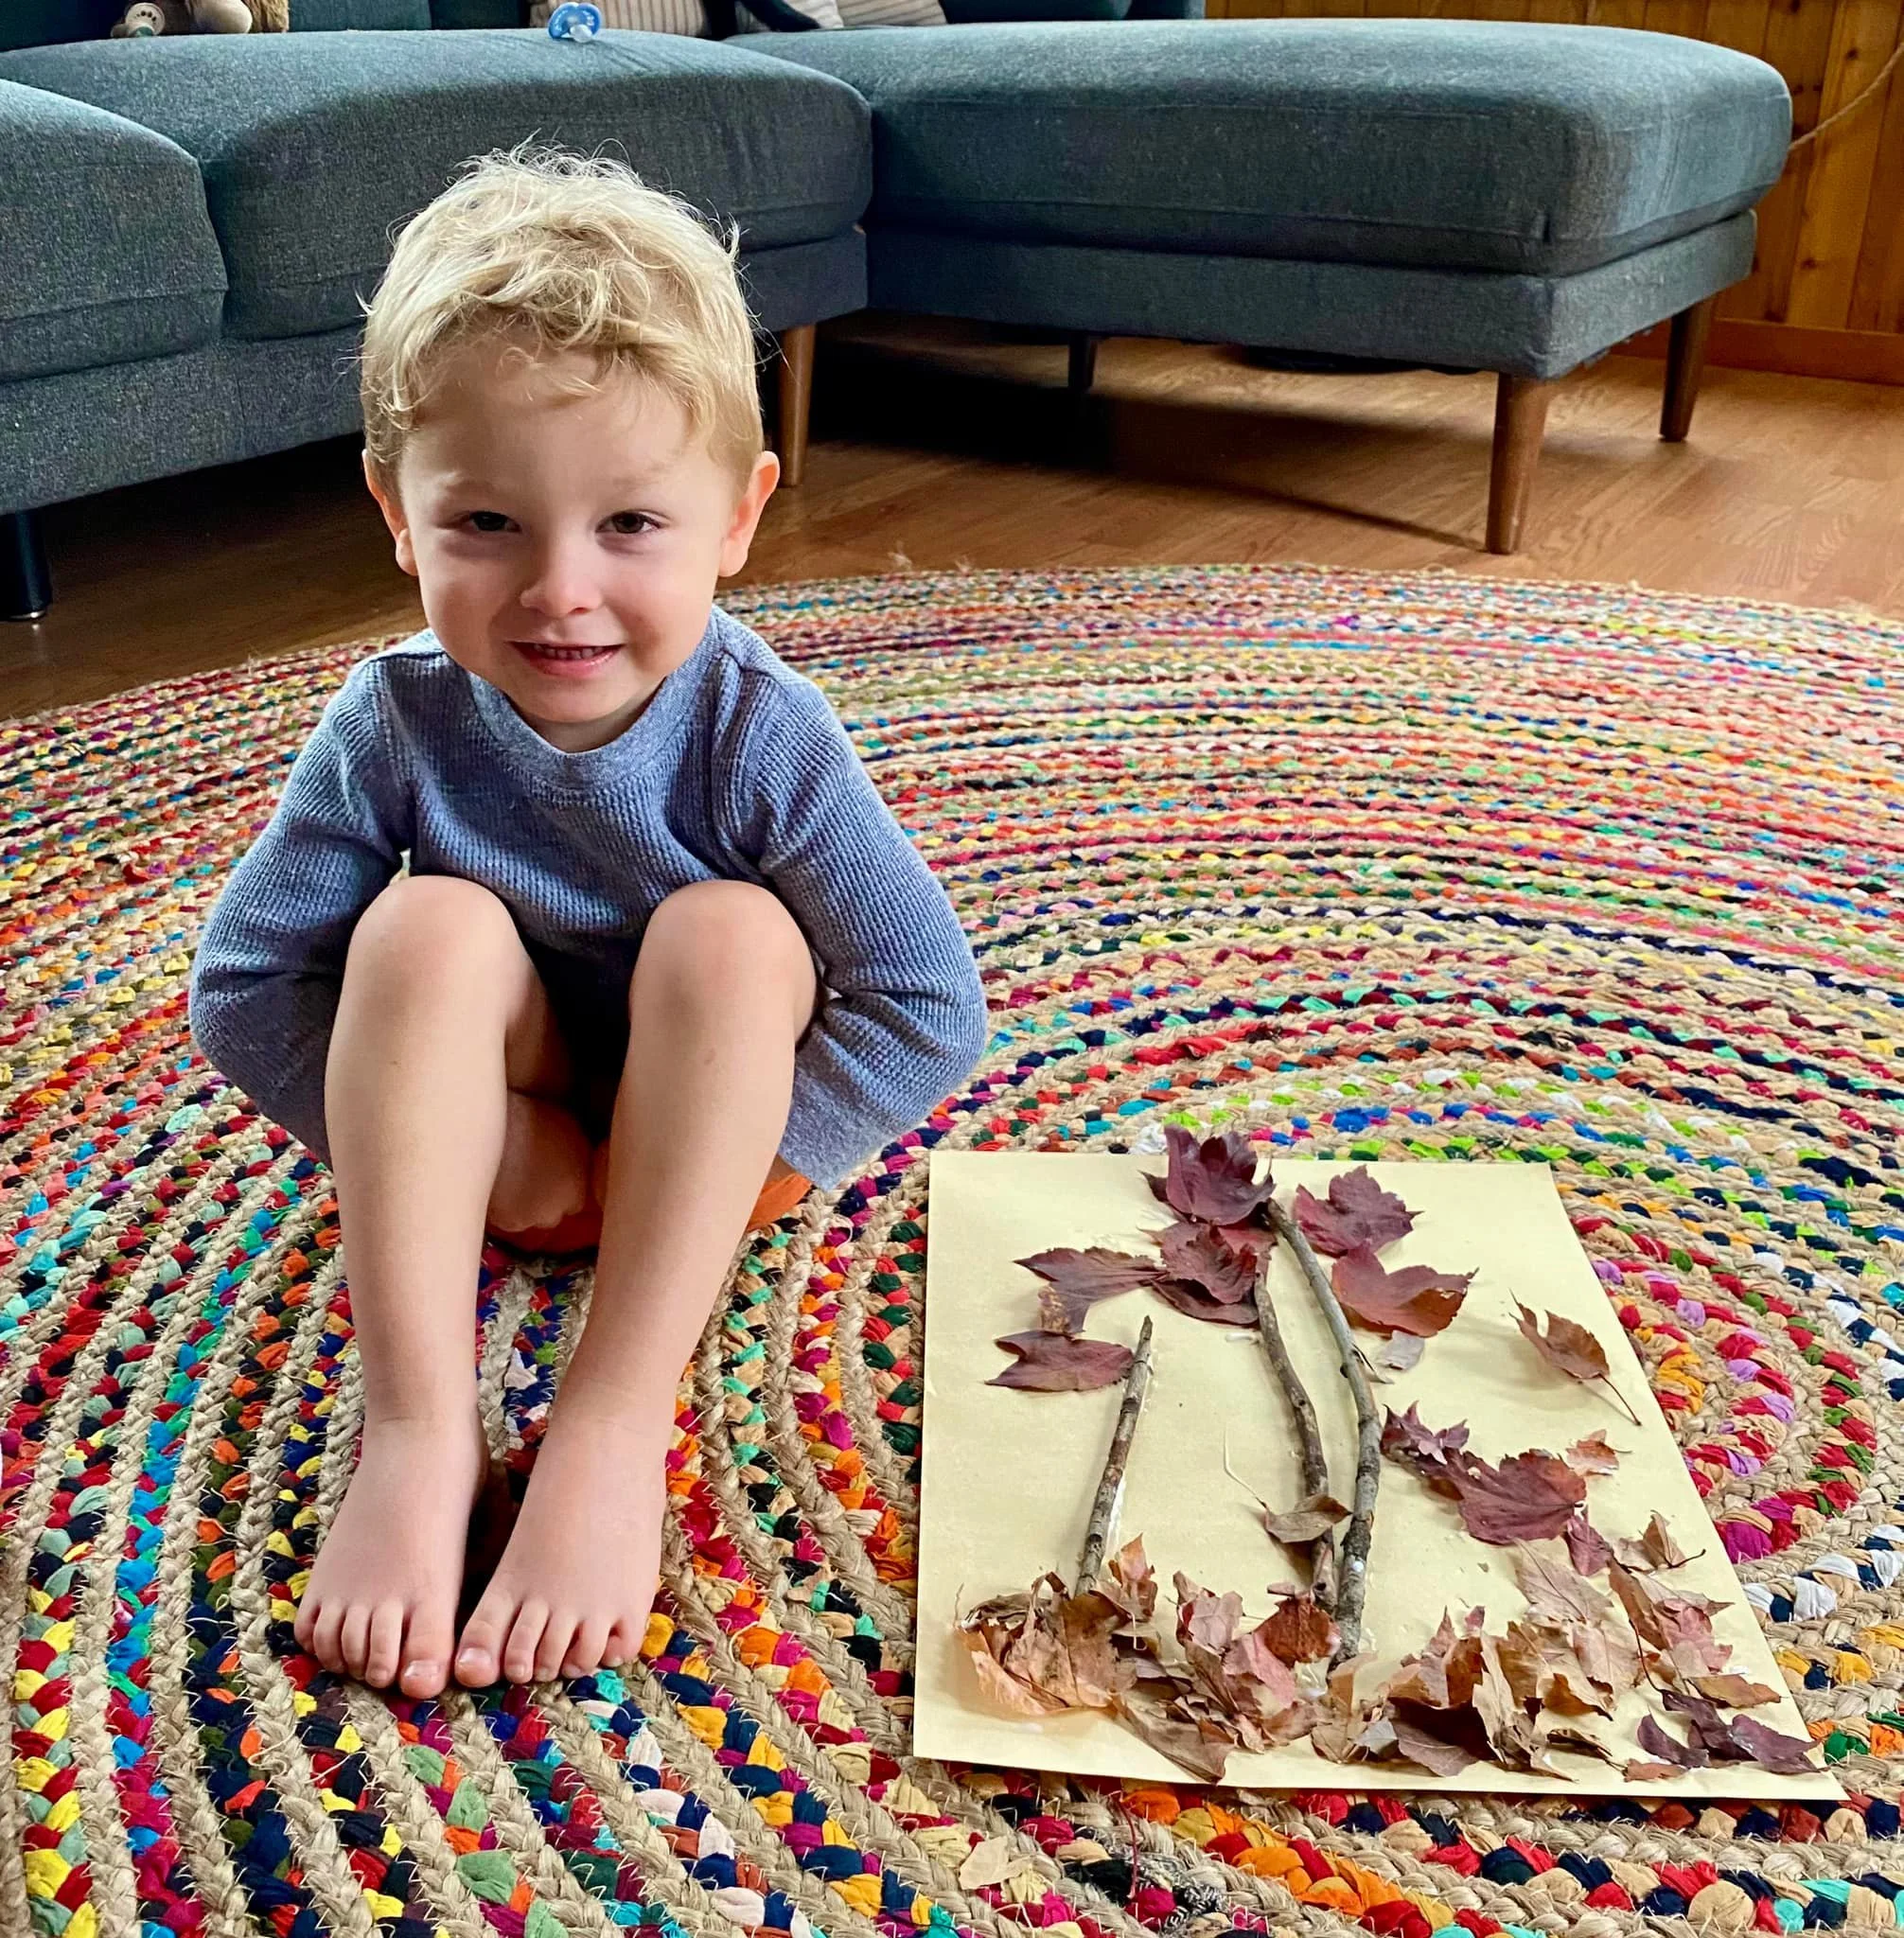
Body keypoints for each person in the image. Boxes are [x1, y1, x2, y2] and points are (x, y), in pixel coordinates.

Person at [188, 147, 988, 1703]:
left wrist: (696, 1186)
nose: (563, 593)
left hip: (695, 1123)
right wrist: (483, 1151)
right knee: (419, 934)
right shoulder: (392, 723)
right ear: (397, 517)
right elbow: (247, 986)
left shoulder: (761, 729)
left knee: (739, 935)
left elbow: (921, 1002)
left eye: (631, 523)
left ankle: (614, 1422)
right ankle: (418, 1429)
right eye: (486, 521)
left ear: (740, 517)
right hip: (517, 1112)